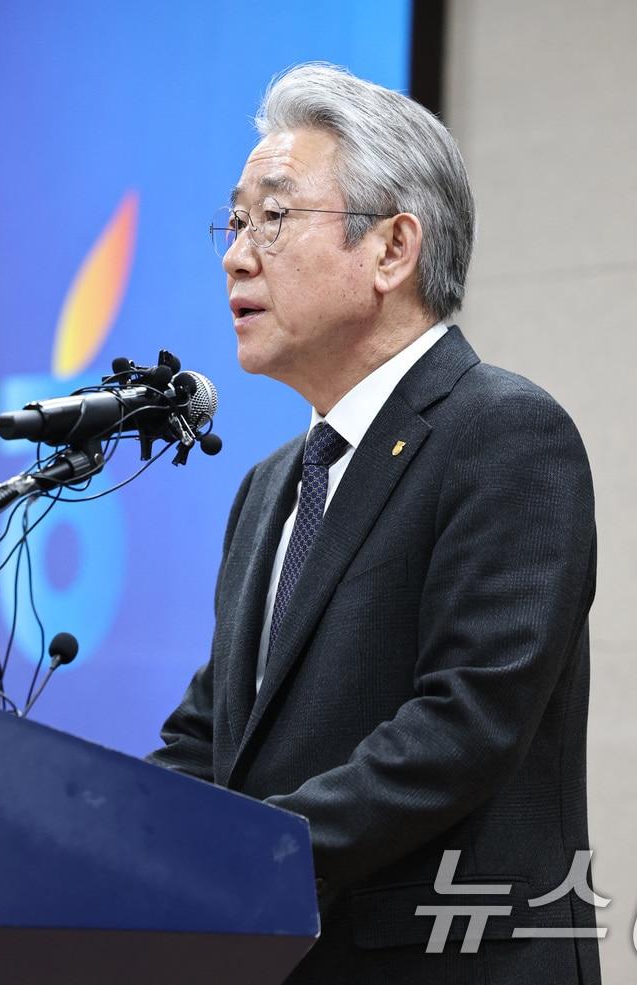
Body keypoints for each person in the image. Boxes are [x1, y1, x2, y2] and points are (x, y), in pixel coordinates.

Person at [149, 63, 600, 984]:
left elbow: (462, 723)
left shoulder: (503, 434)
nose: (235, 254)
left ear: (393, 248)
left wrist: (246, 860)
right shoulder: (271, 485)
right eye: (235, 222)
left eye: (273, 217)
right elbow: (213, 737)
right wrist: (93, 831)